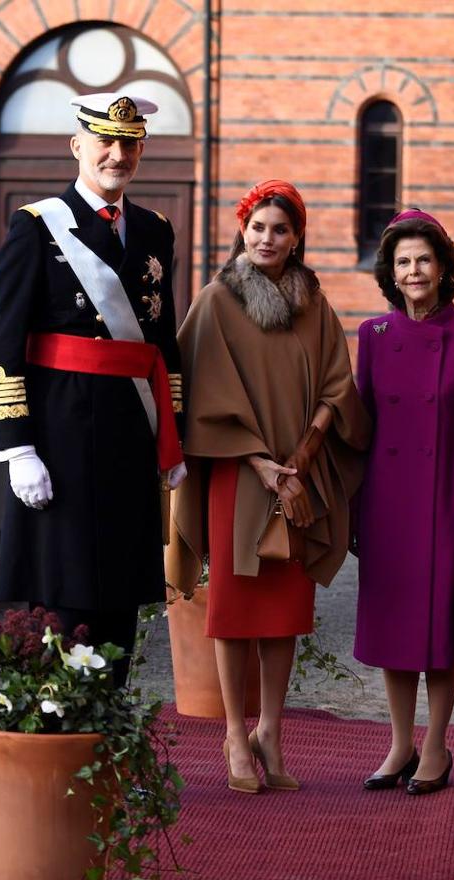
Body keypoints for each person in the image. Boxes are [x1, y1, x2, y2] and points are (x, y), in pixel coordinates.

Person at [169, 180, 369, 794]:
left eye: (280, 229)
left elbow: (339, 383)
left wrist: (304, 456)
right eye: (258, 227)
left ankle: (272, 731)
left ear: (297, 237)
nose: (268, 238)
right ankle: (233, 732)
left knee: (285, 609)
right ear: (242, 230)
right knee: (233, 608)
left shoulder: (314, 303)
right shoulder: (215, 301)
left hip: (298, 477)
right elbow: (199, 393)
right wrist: (262, 464)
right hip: (238, 473)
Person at [0, 92, 185, 671]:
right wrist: (17, 447)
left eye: (129, 143)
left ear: (141, 150)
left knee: (121, 592)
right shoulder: (37, 226)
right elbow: (2, 343)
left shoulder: (153, 230)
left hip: (128, 430)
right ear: (78, 146)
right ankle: (59, 734)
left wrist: (173, 432)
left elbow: (160, 340)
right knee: (64, 594)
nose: (117, 154)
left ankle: (110, 732)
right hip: (59, 434)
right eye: (105, 142)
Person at [351, 209, 454, 795]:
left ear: (443, 267)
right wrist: (354, 507)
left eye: (424, 260)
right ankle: (399, 743)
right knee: (393, 625)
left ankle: (436, 744)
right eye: (403, 262)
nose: (414, 271)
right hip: (387, 501)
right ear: (391, 270)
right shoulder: (373, 335)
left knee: (441, 626)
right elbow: (362, 430)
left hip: (447, 498)